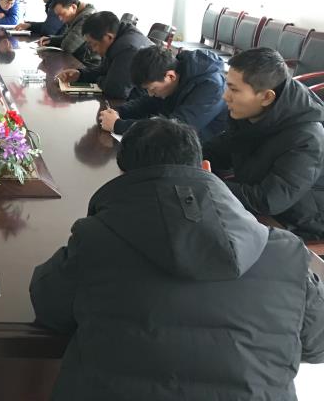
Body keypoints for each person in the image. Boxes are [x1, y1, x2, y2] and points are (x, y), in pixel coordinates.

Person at [30, 117, 324, 401]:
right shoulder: (285, 254)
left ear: (124, 175)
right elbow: (317, 343)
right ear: (205, 168)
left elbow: (50, 308)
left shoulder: (95, 240)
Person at [204, 47, 324, 240]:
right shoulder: (253, 114)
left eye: (234, 89)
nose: (225, 96)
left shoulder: (307, 138)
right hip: (259, 208)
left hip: (298, 223)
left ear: (267, 97)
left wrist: (207, 184)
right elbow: (217, 150)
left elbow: (267, 200)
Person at [98, 45, 228, 142]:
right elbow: (147, 102)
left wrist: (118, 125)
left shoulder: (212, 86)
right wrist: (119, 111)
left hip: (202, 153)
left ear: (170, 76)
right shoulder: (174, 73)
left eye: (153, 89)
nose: (150, 94)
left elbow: (176, 129)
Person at [56, 11, 152, 99]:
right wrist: (80, 74)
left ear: (108, 37)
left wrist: (103, 79)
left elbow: (116, 90)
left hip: (143, 102)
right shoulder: (118, 37)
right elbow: (103, 70)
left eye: (94, 44)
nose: (93, 50)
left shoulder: (128, 48)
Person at [36, 0, 99, 67]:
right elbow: (66, 37)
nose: (60, 19)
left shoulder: (87, 18)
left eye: (62, 14)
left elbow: (69, 46)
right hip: (79, 62)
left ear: (73, 7)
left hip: (90, 67)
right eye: (58, 16)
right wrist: (50, 40)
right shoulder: (78, 15)